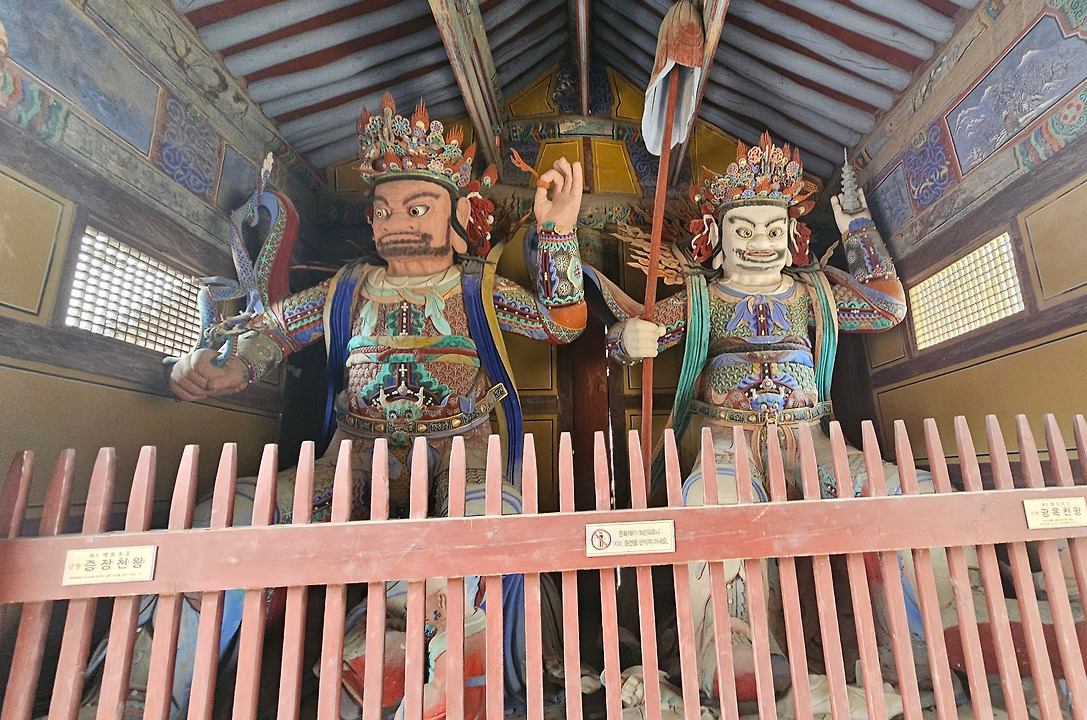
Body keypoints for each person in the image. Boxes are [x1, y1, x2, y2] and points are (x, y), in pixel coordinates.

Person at [122, 92, 587, 718]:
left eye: (418, 206)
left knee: (476, 533)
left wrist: (557, 233)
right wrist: (217, 367)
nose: (397, 221)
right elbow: (273, 331)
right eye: (384, 209)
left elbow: (560, 323)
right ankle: (145, 691)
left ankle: (440, 686)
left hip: (461, 463)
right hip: (353, 466)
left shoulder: (477, 289)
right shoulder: (347, 289)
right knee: (227, 517)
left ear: (458, 214)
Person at [585, 133, 918, 717]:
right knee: (718, 505)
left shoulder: (813, 294)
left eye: (772, 230)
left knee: (890, 486)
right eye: (743, 230)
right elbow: (633, 336)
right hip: (726, 439)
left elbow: (886, 306)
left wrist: (859, 230)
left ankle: (930, 621)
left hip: (809, 439)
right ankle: (733, 638)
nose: (760, 243)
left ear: (791, 239)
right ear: (715, 241)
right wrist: (626, 340)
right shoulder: (702, 299)